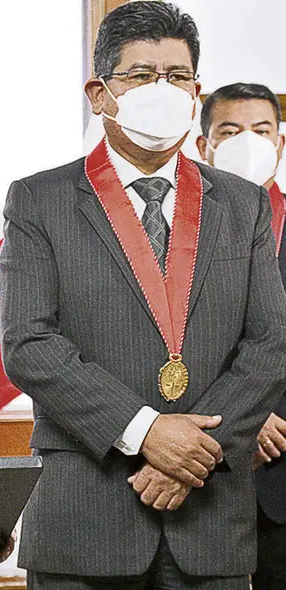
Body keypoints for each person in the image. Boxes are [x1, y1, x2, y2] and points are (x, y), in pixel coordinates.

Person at [0, 3, 286, 588]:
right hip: (85, 515)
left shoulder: (244, 204)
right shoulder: (39, 200)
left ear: (196, 91)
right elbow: (28, 343)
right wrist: (146, 430)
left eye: (177, 77)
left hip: (211, 521)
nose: (162, 89)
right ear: (99, 93)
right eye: (139, 75)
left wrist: (195, 454)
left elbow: (269, 341)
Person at [196, 83, 286, 589]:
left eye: (261, 130)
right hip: (203, 462)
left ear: (279, 142)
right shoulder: (172, 230)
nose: (246, 141)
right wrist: (244, 417)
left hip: (282, 468)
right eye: (229, 131)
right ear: (202, 145)